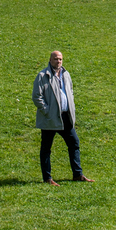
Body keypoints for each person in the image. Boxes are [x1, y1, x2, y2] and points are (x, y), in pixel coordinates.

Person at [32, 50, 93, 185]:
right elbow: (37, 96)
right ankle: (47, 178)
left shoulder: (66, 74)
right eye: (55, 59)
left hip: (65, 117)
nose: (58, 61)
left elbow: (70, 92)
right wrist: (47, 111)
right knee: (46, 148)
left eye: (60, 59)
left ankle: (78, 174)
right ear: (50, 60)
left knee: (74, 143)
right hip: (50, 118)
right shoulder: (43, 76)